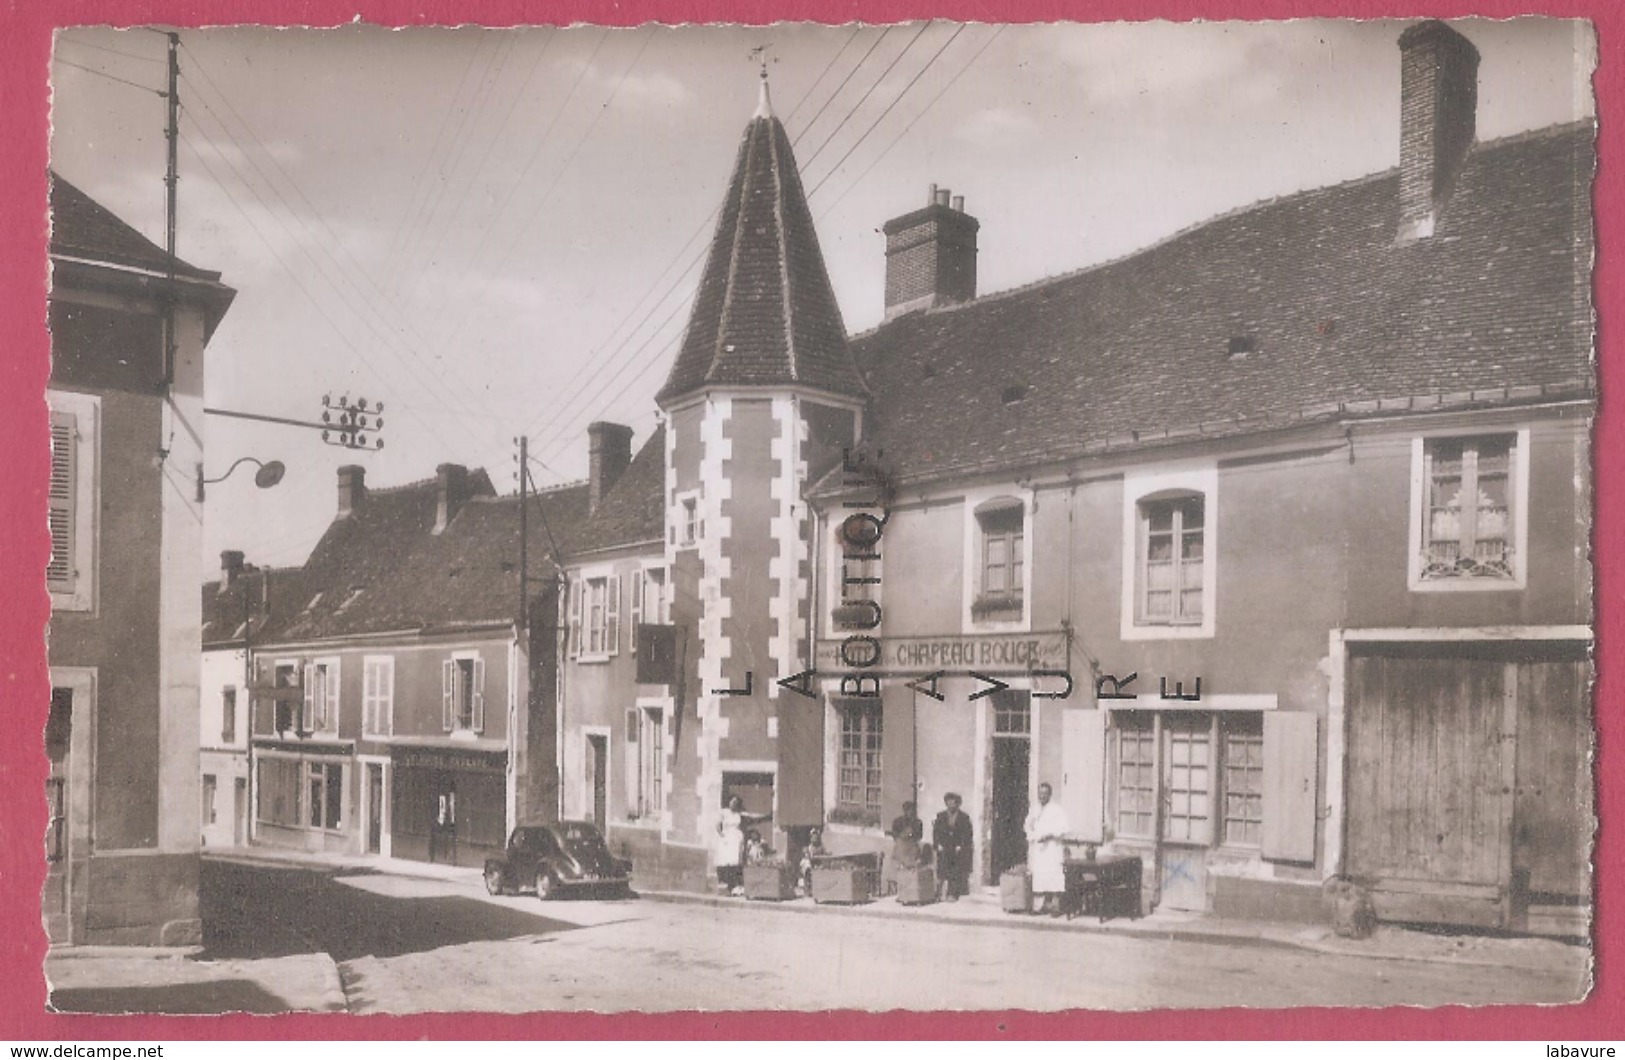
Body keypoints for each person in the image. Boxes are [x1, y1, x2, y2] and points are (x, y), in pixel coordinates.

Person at [1025, 782, 1071, 915]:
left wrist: (1050, 835)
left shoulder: (1057, 810)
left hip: (1052, 848)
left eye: (1045, 793)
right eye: (1040, 793)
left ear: (1050, 795)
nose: (1042, 796)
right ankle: (1039, 907)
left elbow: (1065, 828)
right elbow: (1027, 825)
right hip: (1039, 850)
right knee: (1039, 877)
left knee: (1054, 877)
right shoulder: (1034, 809)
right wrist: (1032, 835)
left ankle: (1056, 907)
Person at [716, 794, 761, 896]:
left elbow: (752, 815)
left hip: (736, 838)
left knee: (736, 861)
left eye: (736, 802)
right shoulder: (724, 812)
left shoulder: (739, 814)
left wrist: (766, 815)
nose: (733, 804)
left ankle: (734, 885)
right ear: (729, 802)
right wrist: (721, 834)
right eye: (732, 801)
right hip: (727, 838)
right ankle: (727, 884)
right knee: (726, 860)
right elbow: (718, 824)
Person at [932, 793, 974, 901]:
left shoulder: (964, 817)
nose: (951, 804)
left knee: (954, 871)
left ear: (958, 804)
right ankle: (938, 894)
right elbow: (936, 832)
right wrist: (937, 845)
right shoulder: (940, 816)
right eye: (948, 801)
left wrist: (962, 845)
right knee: (941, 871)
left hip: (956, 848)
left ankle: (952, 894)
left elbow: (968, 833)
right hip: (943, 847)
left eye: (953, 802)